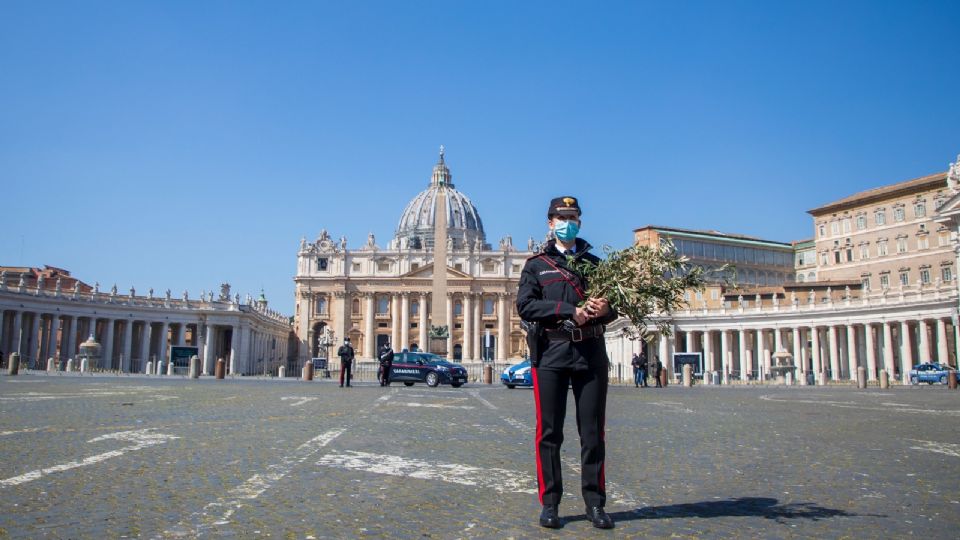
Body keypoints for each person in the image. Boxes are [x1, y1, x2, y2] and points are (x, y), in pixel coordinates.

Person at [516, 195, 618, 530]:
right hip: (551, 354)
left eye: (572, 216)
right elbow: (526, 306)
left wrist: (605, 310)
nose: (567, 221)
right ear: (550, 222)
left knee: (592, 433)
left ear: (580, 221)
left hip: (590, 354)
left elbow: (614, 307)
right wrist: (567, 311)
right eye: (561, 216)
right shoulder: (536, 265)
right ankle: (550, 503)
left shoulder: (596, 264)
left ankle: (595, 503)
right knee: (549, 433)